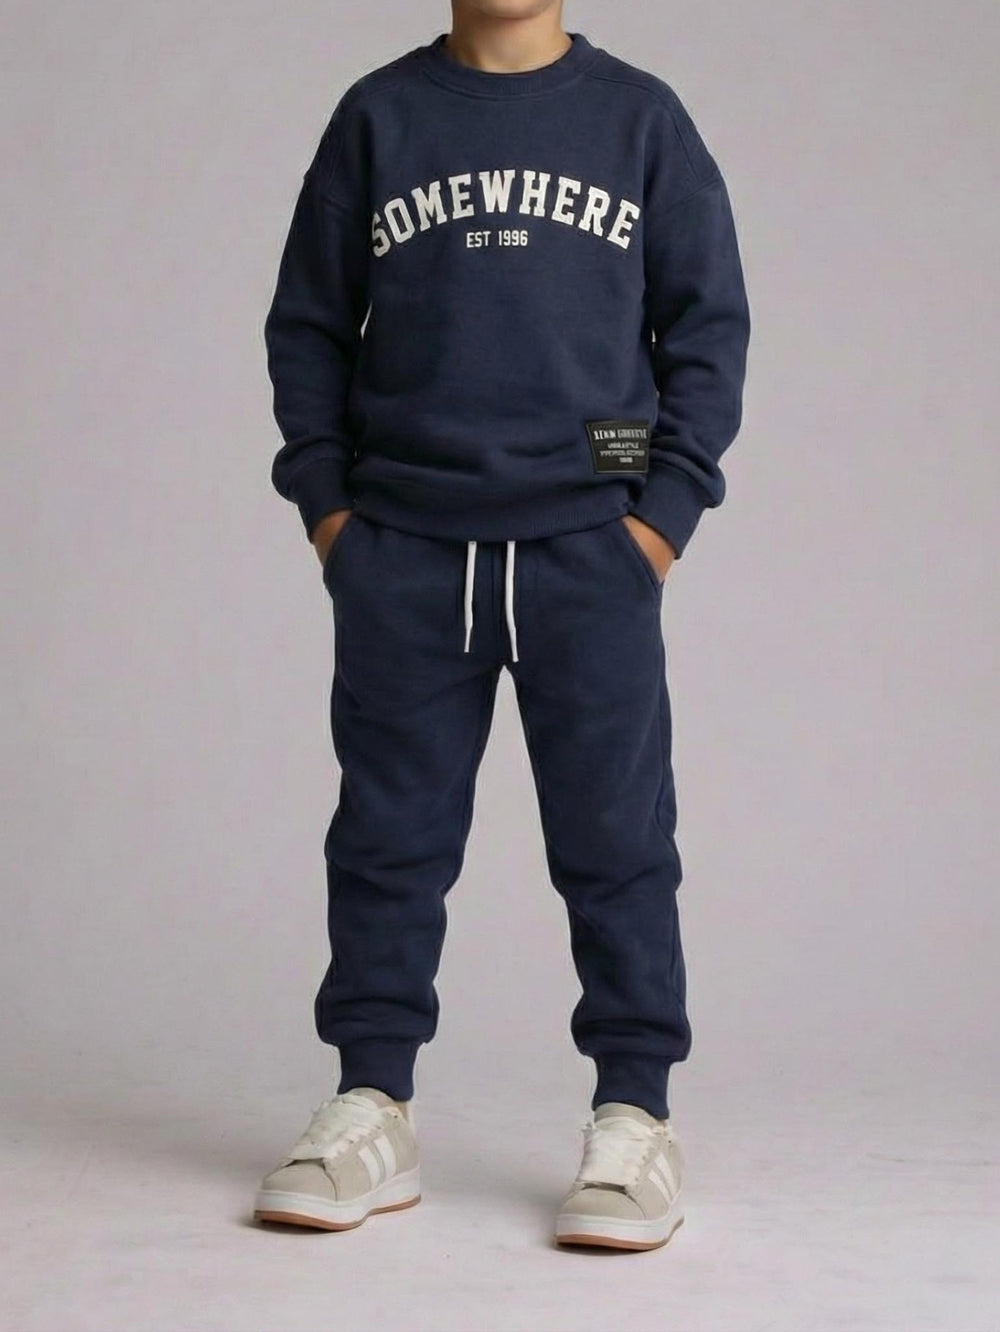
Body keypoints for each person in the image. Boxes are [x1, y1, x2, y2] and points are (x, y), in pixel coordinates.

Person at [253, 0, 750, 1253]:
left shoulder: (639, 121)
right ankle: (372, 1103)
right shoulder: (379, 117)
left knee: (617, 842)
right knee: (387, 839)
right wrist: (331, 514)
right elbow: (308, 325)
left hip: (589, 551)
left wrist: (652, 522)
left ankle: (635, 1113)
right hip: (405, 551)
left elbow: (704, 328)